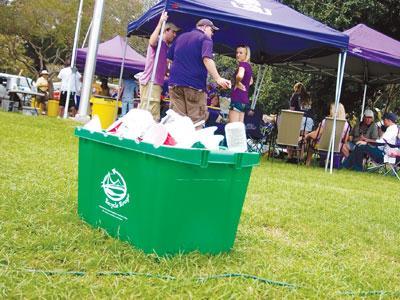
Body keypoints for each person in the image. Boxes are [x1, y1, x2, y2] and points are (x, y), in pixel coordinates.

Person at [167, 18, 231, 128]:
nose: (212, 34)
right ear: (205, 27)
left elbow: (168, 59)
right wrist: (218, 78)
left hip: (175, 85)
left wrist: (169, 74)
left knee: (176, 122)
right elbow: (207, 59)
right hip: (195, 87)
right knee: (196, 122)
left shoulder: (180, 37)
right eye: (212, 30)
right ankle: (193, 144)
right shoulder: (205, 39)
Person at [139, 12, 179, 121]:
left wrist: (167, 72)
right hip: (151, 81)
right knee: (148, 112)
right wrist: (160, 23)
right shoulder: (159, 41)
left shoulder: (166, 46)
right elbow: (152, 41)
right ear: (166, 31)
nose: (175, 35)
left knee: (153, 112)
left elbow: (163, 64)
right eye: (173, 32)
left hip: (157, 82)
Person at [287, 82, 313, 162]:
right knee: (304, 137)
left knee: (292, 136)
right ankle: (301, 157)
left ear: (296, 88)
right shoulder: (308, 96)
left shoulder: (295, 95)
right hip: (309, 119)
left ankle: (290, 156)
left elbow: (292, 110)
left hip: (299, 118)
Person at [229, 45, 253, 123]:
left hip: (237, 98)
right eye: (237, 52)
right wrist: (243, 84)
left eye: (241, 53)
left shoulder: (242, 64)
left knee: (232, 127)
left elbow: (240, 75)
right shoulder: (248, 66)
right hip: (244, 99)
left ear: (246, 55)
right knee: (239, 127)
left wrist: (237, 82)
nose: (238, 55)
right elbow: (251, 81)